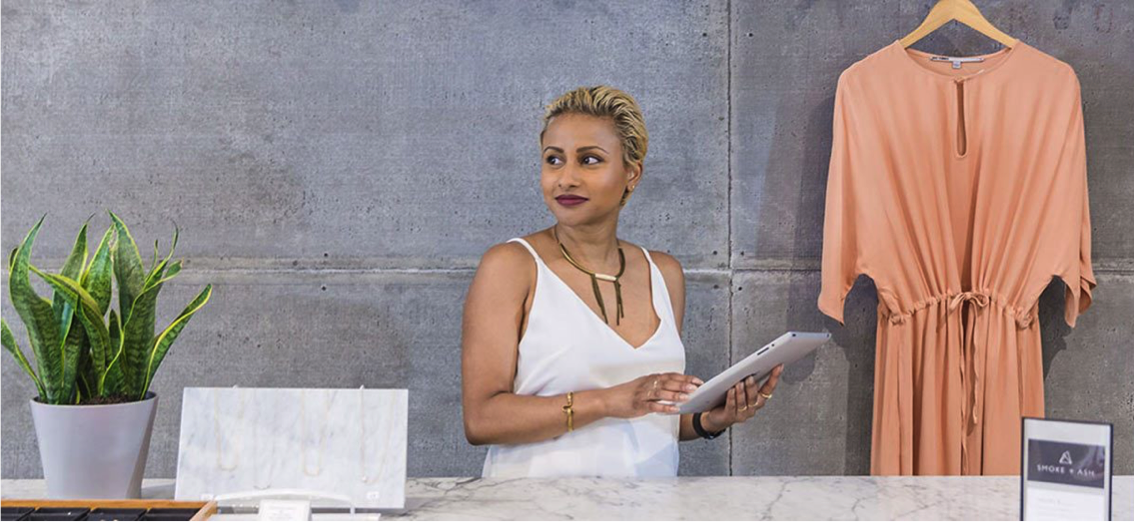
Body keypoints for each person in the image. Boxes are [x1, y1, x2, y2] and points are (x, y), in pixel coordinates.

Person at [461, 85, 783, 478]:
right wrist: (608, 401)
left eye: (589, 160)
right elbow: (481, 419)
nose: (566, 178)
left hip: (650, 507)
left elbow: (646, 416)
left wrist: (709, 420)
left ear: (631, 173)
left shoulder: (663, 274)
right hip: (535, 509)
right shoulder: (512, 265)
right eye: (553, 160)